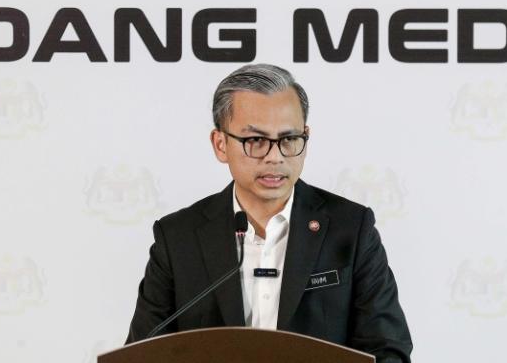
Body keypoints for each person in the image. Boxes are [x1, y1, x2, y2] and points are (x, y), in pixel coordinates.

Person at [126, 64, 413, 362]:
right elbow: (142, 354)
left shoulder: (352, 230)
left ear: (306, 137)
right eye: (256, 141)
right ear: (220, 144)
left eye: (289, 139)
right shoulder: (178, 238)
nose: (275, 157)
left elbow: (388, 351)